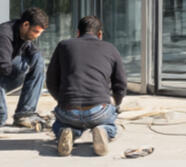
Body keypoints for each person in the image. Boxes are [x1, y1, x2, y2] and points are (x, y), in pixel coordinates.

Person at [46, 15, 127, 156]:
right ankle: (103, 130)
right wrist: (116, 104)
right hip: (98, 110)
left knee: (58, 124)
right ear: (100, 34)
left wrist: (62, 100)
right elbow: (120, 84)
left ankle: (68, 132)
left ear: (78, 33)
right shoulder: (110, 48)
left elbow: (51, 80)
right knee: (111, 123)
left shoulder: (64, 46)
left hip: (68, 111)